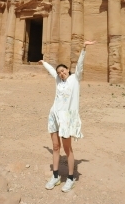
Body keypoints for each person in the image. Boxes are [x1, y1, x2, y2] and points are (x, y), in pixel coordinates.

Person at [39, 40, 96, 193]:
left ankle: (70, 178)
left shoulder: (74, 79)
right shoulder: (58, 80)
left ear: (68, 70)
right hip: (54, 115)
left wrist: (84, 48)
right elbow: (52, 71)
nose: (61, 74)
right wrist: (44, 62)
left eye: (63, 71)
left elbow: (80, 66)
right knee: (55, 147)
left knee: (67, 148)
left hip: (66, 118)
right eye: (59, 73)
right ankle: (56, 175)